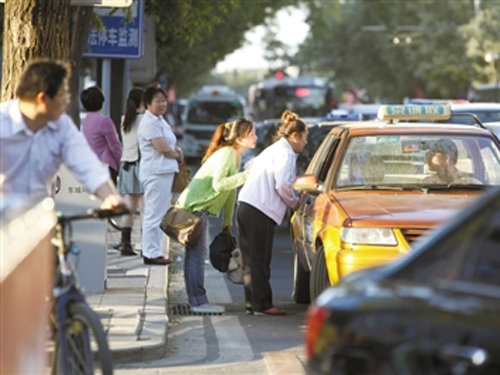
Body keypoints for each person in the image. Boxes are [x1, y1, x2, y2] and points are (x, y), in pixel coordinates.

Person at [0, 59, 125, 210]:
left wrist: (109, 196)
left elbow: (85, 162)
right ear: (43, 99)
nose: (67, 101)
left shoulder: (62, 126)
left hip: (39, 219)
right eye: (62, 95)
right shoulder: (3, 124)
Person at [176, 118, 257, 314]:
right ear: (240, 138)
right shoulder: (227, 154)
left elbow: (229, 192)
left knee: (194, 255)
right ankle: (198, 301)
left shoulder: (234, 156)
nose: (256, 137)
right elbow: (219, 185)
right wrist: (248, 175)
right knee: (197, 255)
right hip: (195, 207)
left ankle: (196, 298)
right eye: (252, 134)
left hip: (197, 207)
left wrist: (227, 222)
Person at [236, 109, 308, 316]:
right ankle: (263, 305)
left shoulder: (274, 149)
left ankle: (252, 302)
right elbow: (283, 185)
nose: (304, 143)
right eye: (304, 138)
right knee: (261, 259)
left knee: (250, 259)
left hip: (246, 205)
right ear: (295, 136)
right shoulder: (286, 153)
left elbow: (251, 165)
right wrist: (294, 203)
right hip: (261, 210)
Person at [138, 86, 183, 265]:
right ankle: (150, 253)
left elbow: (170, 144)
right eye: (158, 101)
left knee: (160, 213)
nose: (162, 104)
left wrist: (177, 151)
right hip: (155, 173)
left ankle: (154, 250)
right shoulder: (149, 122)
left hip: (164, 172)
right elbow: (163, 148)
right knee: (153, 214)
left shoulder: (160, 120)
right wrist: (177, 154)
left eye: (164, 100)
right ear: (148, 104)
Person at [116, 87, 145, 256]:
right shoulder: (145, 120)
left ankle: (125, 243)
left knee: (129, 207)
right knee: (145, 208)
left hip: (126, 165)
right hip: (142, 164)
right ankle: (145, 245)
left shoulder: (124, 120)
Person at [80, 86, 122, 185]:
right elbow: (115, 146)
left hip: (91, 167)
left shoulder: (86, 120)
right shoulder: (104, 121)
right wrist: (121, 165)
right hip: (106, 167)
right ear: (102, 101)